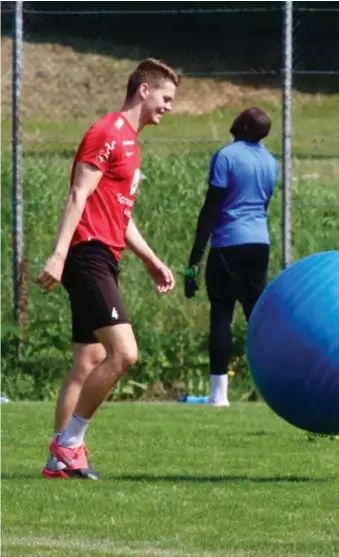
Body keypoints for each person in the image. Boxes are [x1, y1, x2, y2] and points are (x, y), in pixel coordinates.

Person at [36, 58, 181, 479]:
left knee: (88, 361)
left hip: (103, 255)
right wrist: (59, 255)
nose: (168, 107)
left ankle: (58, 462)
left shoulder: (132, 144)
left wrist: (151, 259)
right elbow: (77, 196)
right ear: (143, 91)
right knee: (124, 353)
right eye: (165, 98)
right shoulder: (108, 132)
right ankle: (68, 444)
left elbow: (120, 214)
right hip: (86, 256)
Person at [184, 107, 279, 407]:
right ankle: (274, 388)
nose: (236, 117)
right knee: (257, 319)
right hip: (259, 242)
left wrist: (194, 260)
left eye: (243, 117)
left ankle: (219, 395)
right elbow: (263, 205)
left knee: (221, 316)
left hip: (228, 243)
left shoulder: (226, 156)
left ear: (246, 127)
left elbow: (211, 208)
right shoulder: (269, 161)